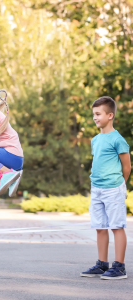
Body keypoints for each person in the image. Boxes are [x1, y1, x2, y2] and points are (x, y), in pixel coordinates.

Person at [81, 96, 131, 280]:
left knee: (116, 226)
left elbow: (127, 167)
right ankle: (102, 264)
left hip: (113, 189)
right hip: (97, 189)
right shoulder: (95, 140)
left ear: (110, 115)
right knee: (100, 227)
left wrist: (120, 185)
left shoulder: (118, 140)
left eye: (98, 114)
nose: (95, 117)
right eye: (93, 114)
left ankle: (119, 267)